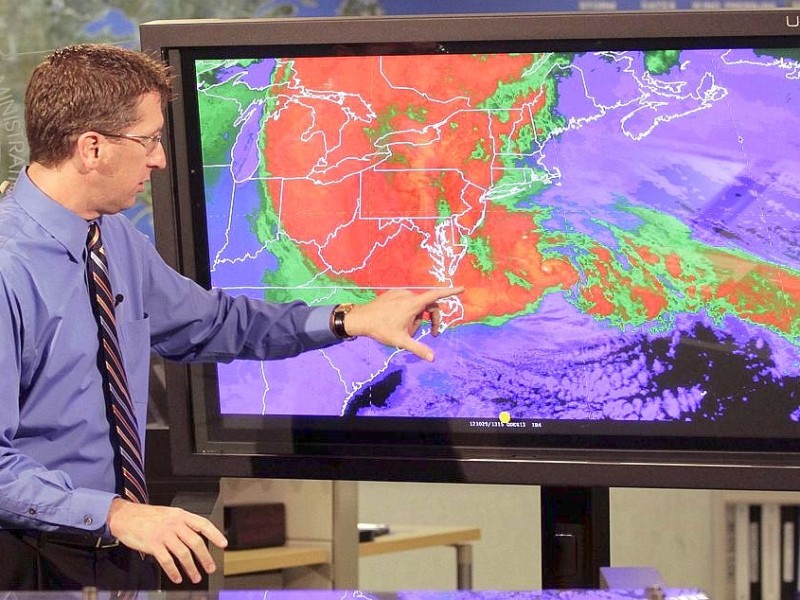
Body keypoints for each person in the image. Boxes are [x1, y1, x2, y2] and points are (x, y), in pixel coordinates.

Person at [0, 43, 463, 591]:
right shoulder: (10, 267)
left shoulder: (112, 239)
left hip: (110, 553)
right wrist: (117, 514)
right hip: (28, 560)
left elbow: (212, 324)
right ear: (91, 148)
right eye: (148, 140)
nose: (160, 159)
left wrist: (352, 318)